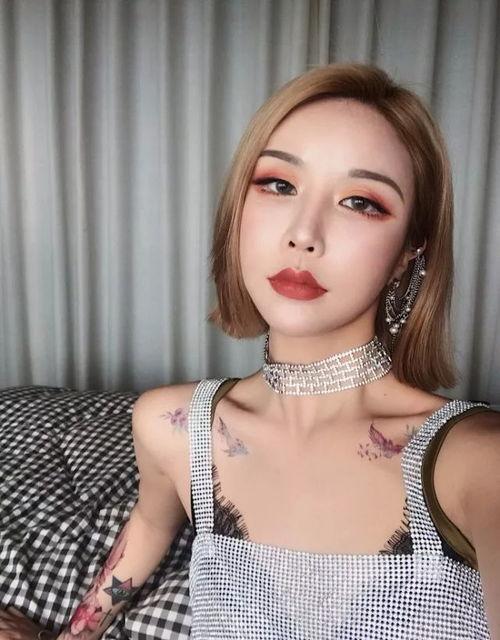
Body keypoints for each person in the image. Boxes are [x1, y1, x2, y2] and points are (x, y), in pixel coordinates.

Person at [2, 61, 499, 640]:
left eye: (361, 202)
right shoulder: (170, 427)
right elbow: (150, 526)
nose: (303, 233)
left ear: (408, 253)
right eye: (279, 185)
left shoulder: (474, 461)